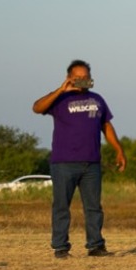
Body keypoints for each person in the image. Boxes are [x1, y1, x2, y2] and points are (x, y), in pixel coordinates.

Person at [32, 60, 125, 258]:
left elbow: (106, 126)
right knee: (61, 206)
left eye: (86, 77)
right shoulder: (59, 99)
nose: (83, 80)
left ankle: (96, 246)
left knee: (93, 207)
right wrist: (61, 90)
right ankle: (60, 247)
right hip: (64, 162)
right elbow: (37, 108)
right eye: (78, 77)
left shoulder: (97, 99)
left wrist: (118, 149)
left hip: (91, 162)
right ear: (70, 77)